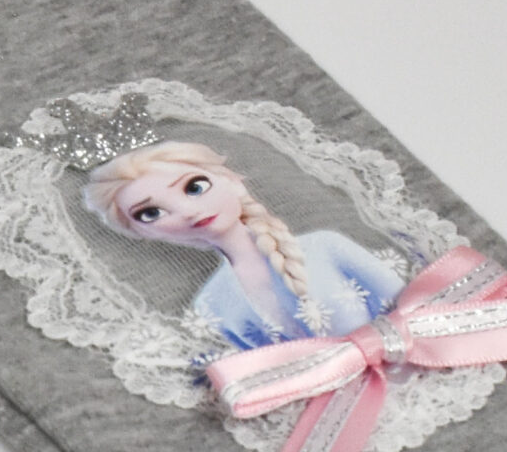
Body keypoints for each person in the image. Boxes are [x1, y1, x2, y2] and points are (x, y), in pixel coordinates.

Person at [82, 138, 403, 349]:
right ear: (144, 234)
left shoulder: (324, 247)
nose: (188, 211)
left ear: (231, 180)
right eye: (150, 213)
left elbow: (409, 305)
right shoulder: (210, 304)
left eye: (194, 187)